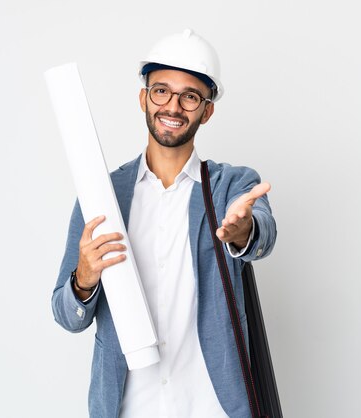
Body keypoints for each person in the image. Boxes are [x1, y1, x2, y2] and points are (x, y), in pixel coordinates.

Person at [52, 28, 277, 418]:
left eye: (189, 96)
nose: (173, 107)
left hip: (212, 407)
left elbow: (263, 233)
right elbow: (65, 313)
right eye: (161, 91)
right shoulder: (101, 195)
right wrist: (84, 279)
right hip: (128, 407)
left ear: (206, 110)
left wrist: (244, 233)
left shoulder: (231, 186)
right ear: (144, 97)